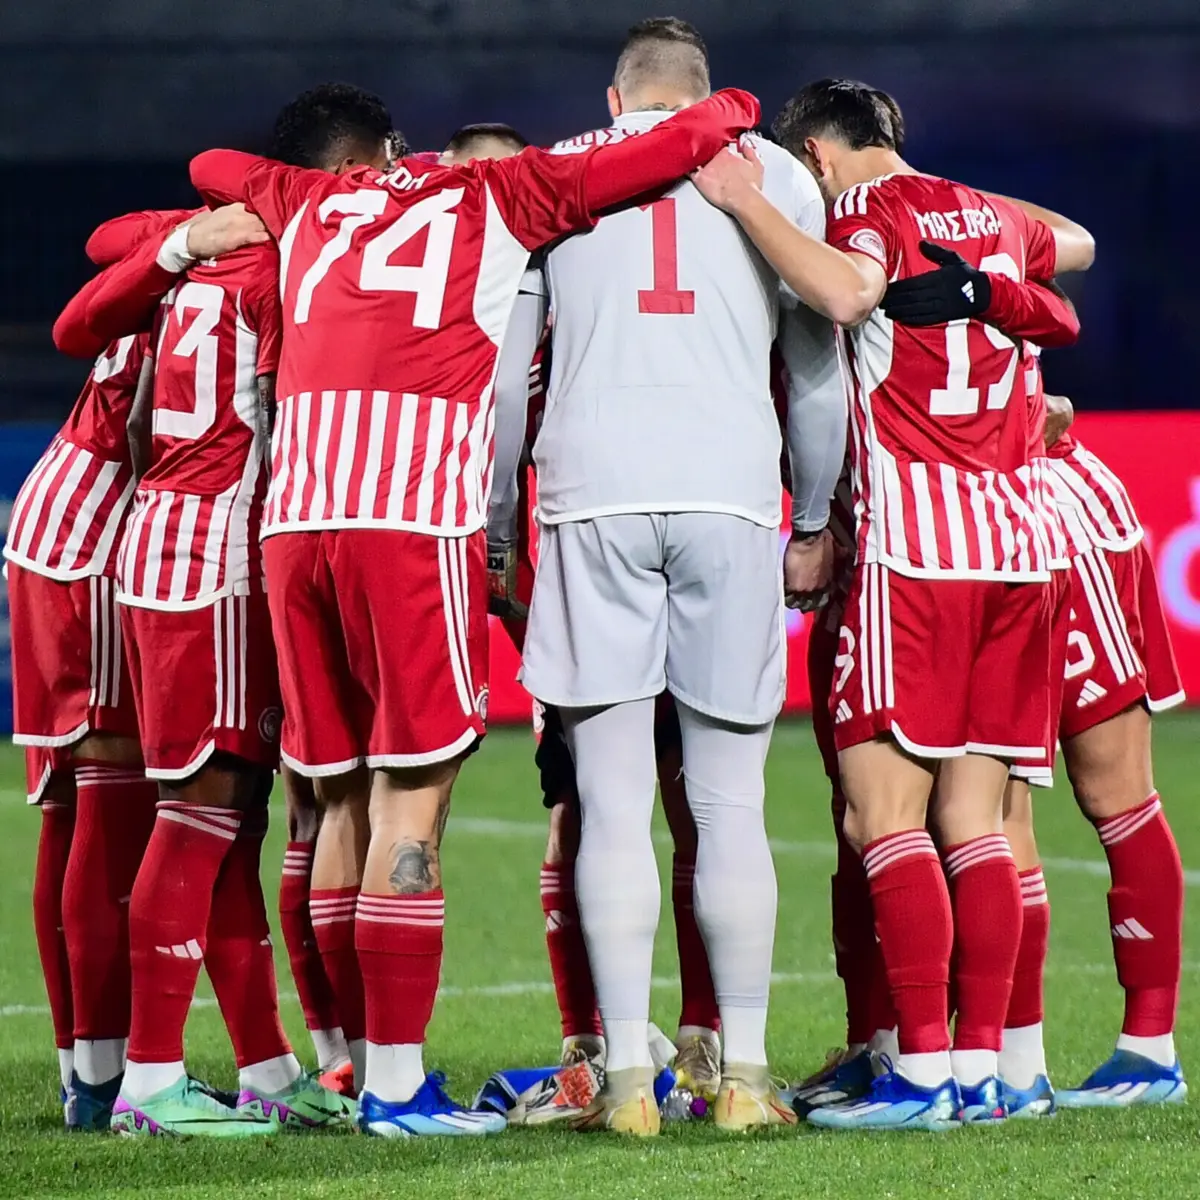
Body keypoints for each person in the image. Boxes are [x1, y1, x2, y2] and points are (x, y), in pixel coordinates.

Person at [187, 79, 760, 1138]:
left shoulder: (305, 200)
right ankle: (403, 1090)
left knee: (339, 803)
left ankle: (349, 1067)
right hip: (409, 527)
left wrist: (232, 219)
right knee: (415, 805)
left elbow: (208, 168)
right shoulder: (498, 195)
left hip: (294, 528)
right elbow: (667, 150)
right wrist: (732, 102)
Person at [694, 77, 1089, 1129]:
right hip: (1021, 548)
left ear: (819, 155)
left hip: (915, 553)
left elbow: (844, 294)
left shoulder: (866, 215)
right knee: (978, 820)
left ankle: (920, 1073)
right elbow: (1079, 247)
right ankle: (987, 1067)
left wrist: (748, 203)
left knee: (883, 816)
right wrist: (987, 241)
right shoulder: (997, 217)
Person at [519, 18, 844, 1135]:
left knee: (610, 802)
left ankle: (620, 1081)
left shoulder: (554, 171)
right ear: (704, 97)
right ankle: (746, 1077)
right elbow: (817, 375)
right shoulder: (781, 178)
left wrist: (494, 526)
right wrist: (812, 516)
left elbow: (512, 376)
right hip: (728, 493)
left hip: (592, 493)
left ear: (617, 103)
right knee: (728, 800)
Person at [9, 206, 264, 1130]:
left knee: (74, 809)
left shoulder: (175, 274)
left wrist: (181, 237)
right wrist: (199, 234)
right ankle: (110, 1073)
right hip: (107, 526)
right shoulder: (240, 274)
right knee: (114, 806)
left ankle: (86, 1065)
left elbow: (97, 241)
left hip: (57, 514)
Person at [999, 393, 1186, 1113]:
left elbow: (1067, 276)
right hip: (978, 504)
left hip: (1037, 508)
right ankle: (991, 1059)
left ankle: (1140, 1049)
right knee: (967, 800)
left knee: (1089, 793)